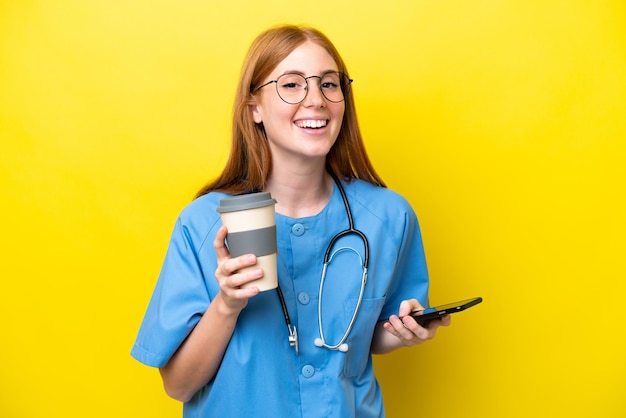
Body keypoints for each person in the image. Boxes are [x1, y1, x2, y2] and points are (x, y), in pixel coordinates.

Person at [131, 24, 451, 417]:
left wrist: (402, 333)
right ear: (254, 108)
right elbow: (178, 384)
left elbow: (370, 337)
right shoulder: (203, 224)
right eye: (292, 84)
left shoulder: (387, 216)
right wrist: (228, 304)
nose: (316, 99)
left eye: (330, 85)